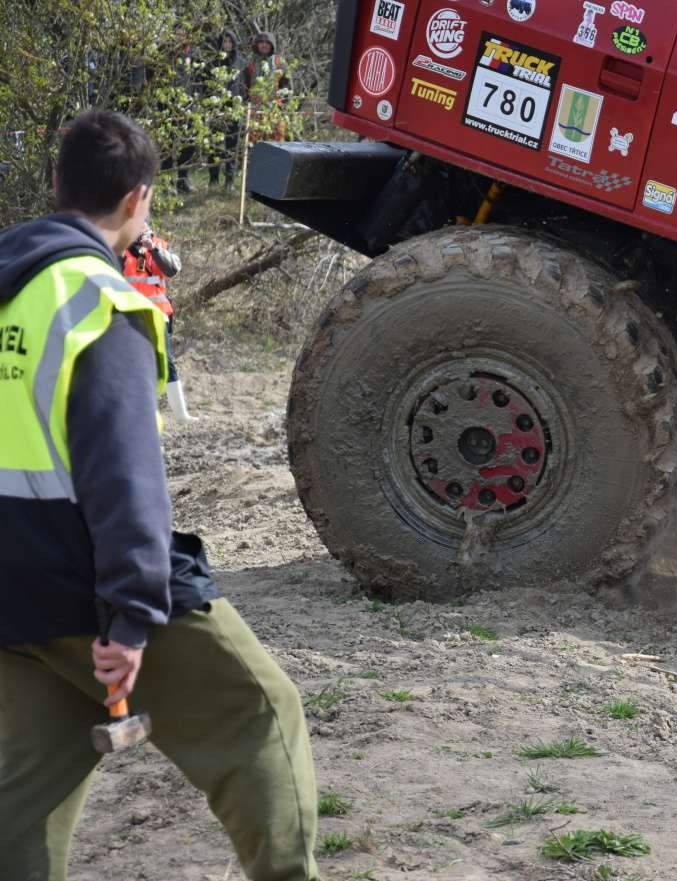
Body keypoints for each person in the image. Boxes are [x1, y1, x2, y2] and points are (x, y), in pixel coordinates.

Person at [0, 110, 319, 881]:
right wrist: (133, 612)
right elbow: (124, 476)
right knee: (263, 712)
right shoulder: (97, 302)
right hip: (82, 581)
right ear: (139, 197)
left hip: (15, 597)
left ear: (57, 183)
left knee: (24, 798)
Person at [122, 223, 197, 421]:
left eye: (142, 224)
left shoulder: (159, 244)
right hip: (129, 314)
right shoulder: (120, 246)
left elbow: (172, 269)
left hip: (158, 313)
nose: (138, 228)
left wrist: (153, 249)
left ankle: (181, 415)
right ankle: (137, 411)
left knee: (166, 361)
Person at [209, 29, 245, 189]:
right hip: (217, 109)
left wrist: (242, 104)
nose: (227, 44)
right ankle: (213, 179)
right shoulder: (213, 63)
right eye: (224, 41)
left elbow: (245, 87)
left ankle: (229, 181)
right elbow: (206, 87)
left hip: (235, 110)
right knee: (215, 145)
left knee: (232, 145)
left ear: (234, 43)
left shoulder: (241, 63)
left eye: (230, 41)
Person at [242, 32, 292, 142]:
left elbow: (287, 88)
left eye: (267, 43)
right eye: (261, 42)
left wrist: (282, 106)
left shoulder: (279, 62)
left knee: (277, 145)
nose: (264, 45)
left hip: (275, 111)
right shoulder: (250, 63)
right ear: (257, 44)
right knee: (254, 145)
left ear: (272, 45)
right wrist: (247, 106)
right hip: (255, 111)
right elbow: (244, 87)